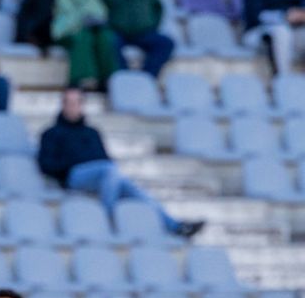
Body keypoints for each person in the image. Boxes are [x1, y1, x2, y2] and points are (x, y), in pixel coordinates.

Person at [38, 87, 203, 237]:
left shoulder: (92, 132)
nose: (72, 106)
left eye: (76, 102)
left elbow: (104, 157)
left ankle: (175, 226)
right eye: (69, 102)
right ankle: (108, 218)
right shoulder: (52, 133)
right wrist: (68, 165)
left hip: (102, 174)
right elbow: (46, 164)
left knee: (137, 191)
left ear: (82, 105)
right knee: (110, 171)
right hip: (74, 175)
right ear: (63, 105)